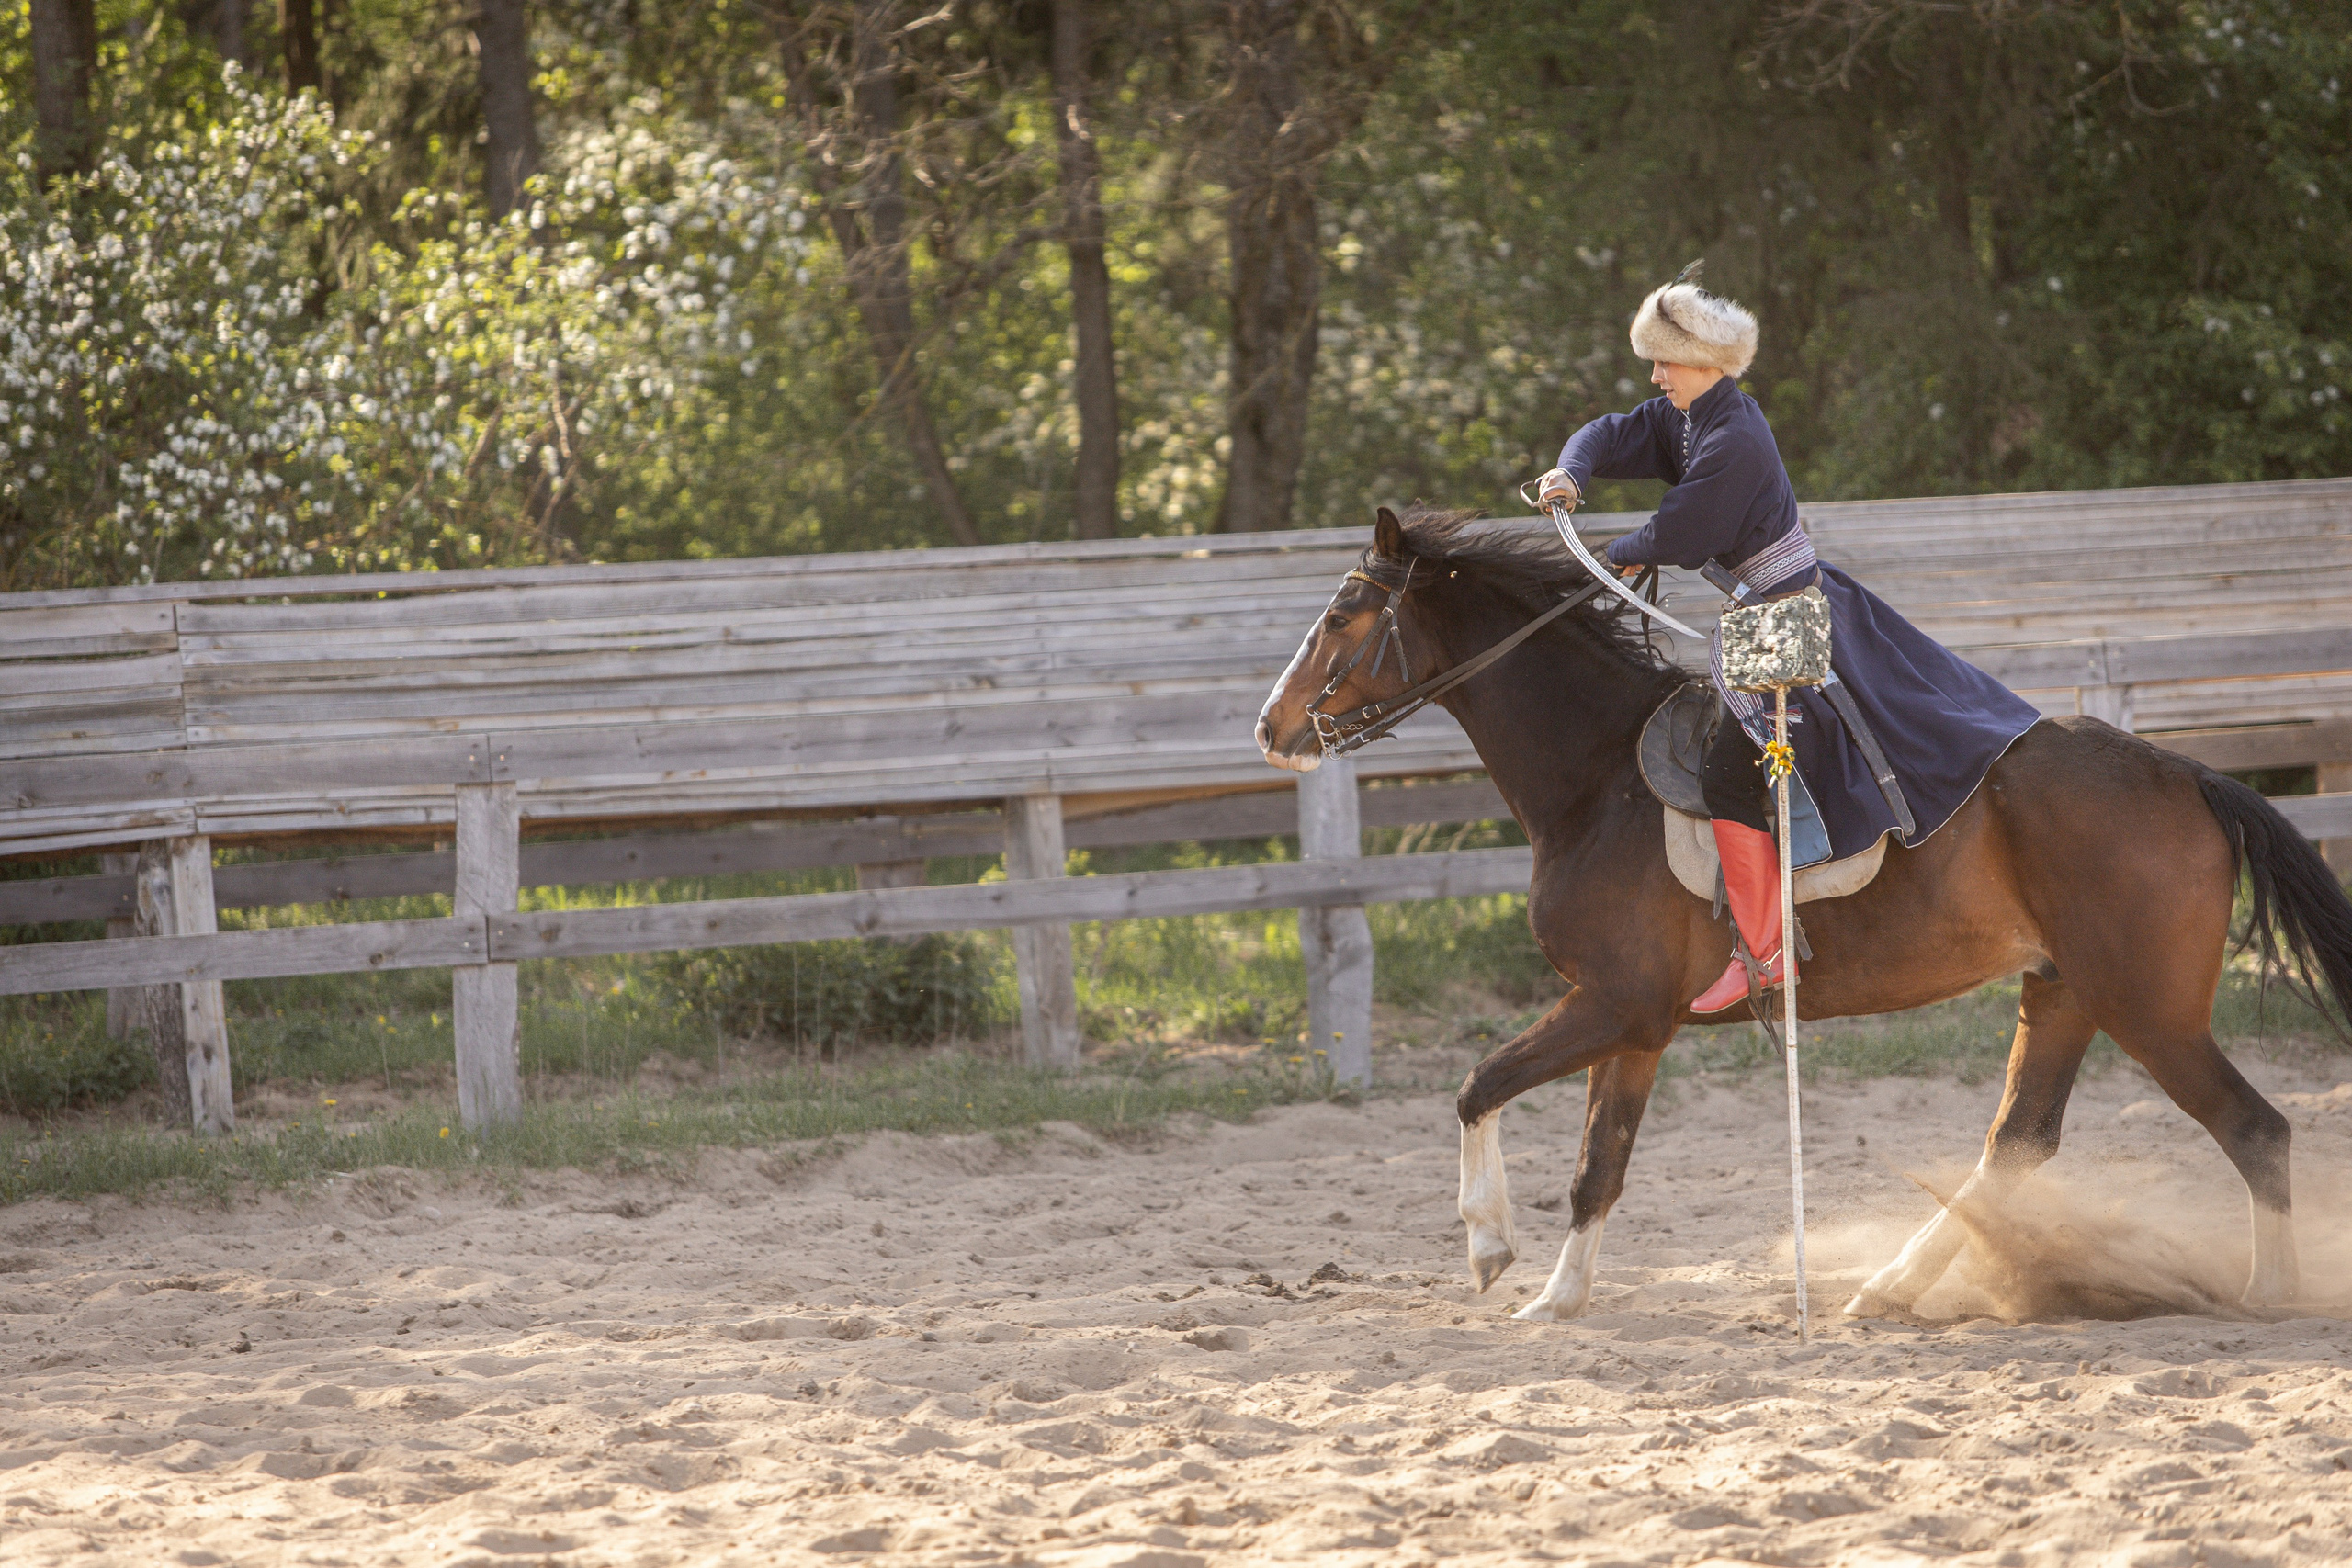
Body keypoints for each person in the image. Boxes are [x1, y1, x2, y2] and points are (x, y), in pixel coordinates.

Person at [1535, 262, 2041, 1015]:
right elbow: (1611, 435)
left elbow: (1685, 529)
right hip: (1759, 610)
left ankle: (1767, 956)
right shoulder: (1685, 417)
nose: (1654, 372)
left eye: (1663, 360)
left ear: (1703, 363)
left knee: (1734, 776)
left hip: (1782, 617)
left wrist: (1622, 549)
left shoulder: (1732, 437)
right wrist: (1571, 472)